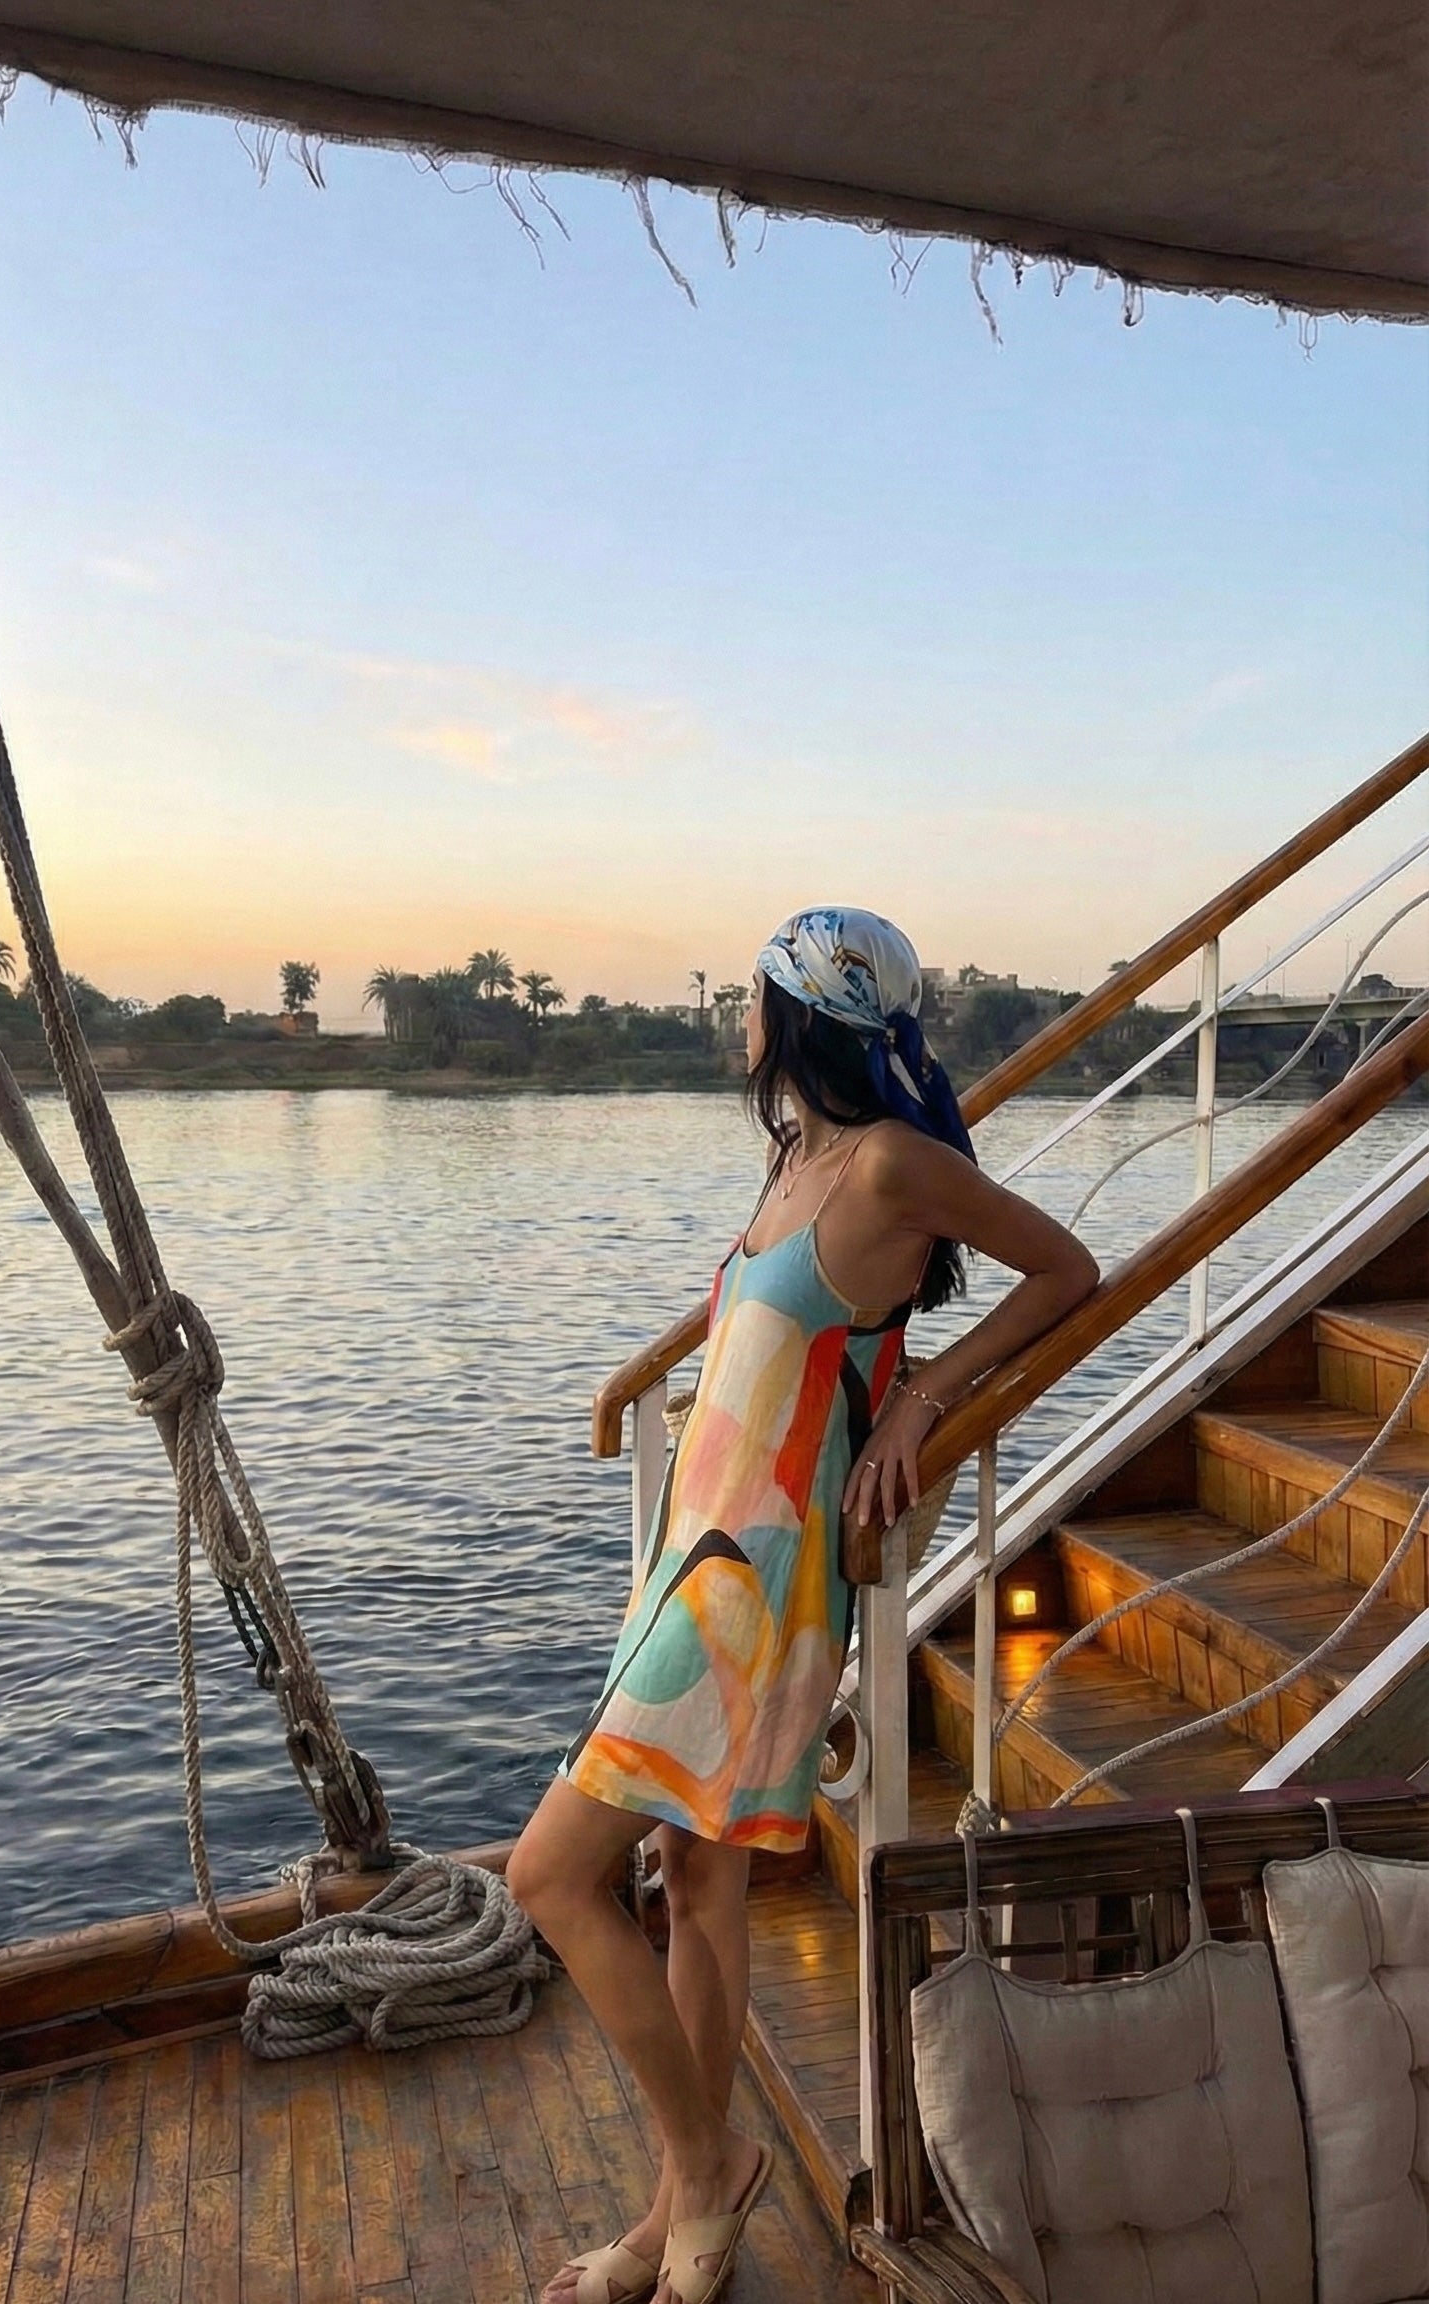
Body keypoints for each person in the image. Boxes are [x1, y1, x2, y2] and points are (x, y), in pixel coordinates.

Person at [507, 907, 1099, 2304]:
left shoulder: (891, 1163)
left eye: (754, 996)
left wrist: (924, 1395)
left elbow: (1069, 1272)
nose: (740, 1019)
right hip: (696, 1551)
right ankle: (676, 2225)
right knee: (697, 1881)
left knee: (547, 1875)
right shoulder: (796, 1154)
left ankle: (707, 2165)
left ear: (795, 1016)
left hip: (762, 1584)